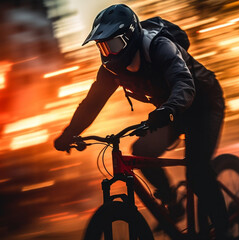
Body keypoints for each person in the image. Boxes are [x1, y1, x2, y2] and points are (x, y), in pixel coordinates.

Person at [53, 4, 228, 239]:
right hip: (170, 110)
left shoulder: (160, 47)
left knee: (197, 172)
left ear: (131, 37)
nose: (108, 53)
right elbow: (92, 104)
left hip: (203, 104)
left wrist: (167, 110)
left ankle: (224, 232)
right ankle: (171, 202)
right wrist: (69, 133)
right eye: (102, 46)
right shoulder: (111, 70)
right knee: (142, 151)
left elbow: (184, 84)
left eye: (113, 45)